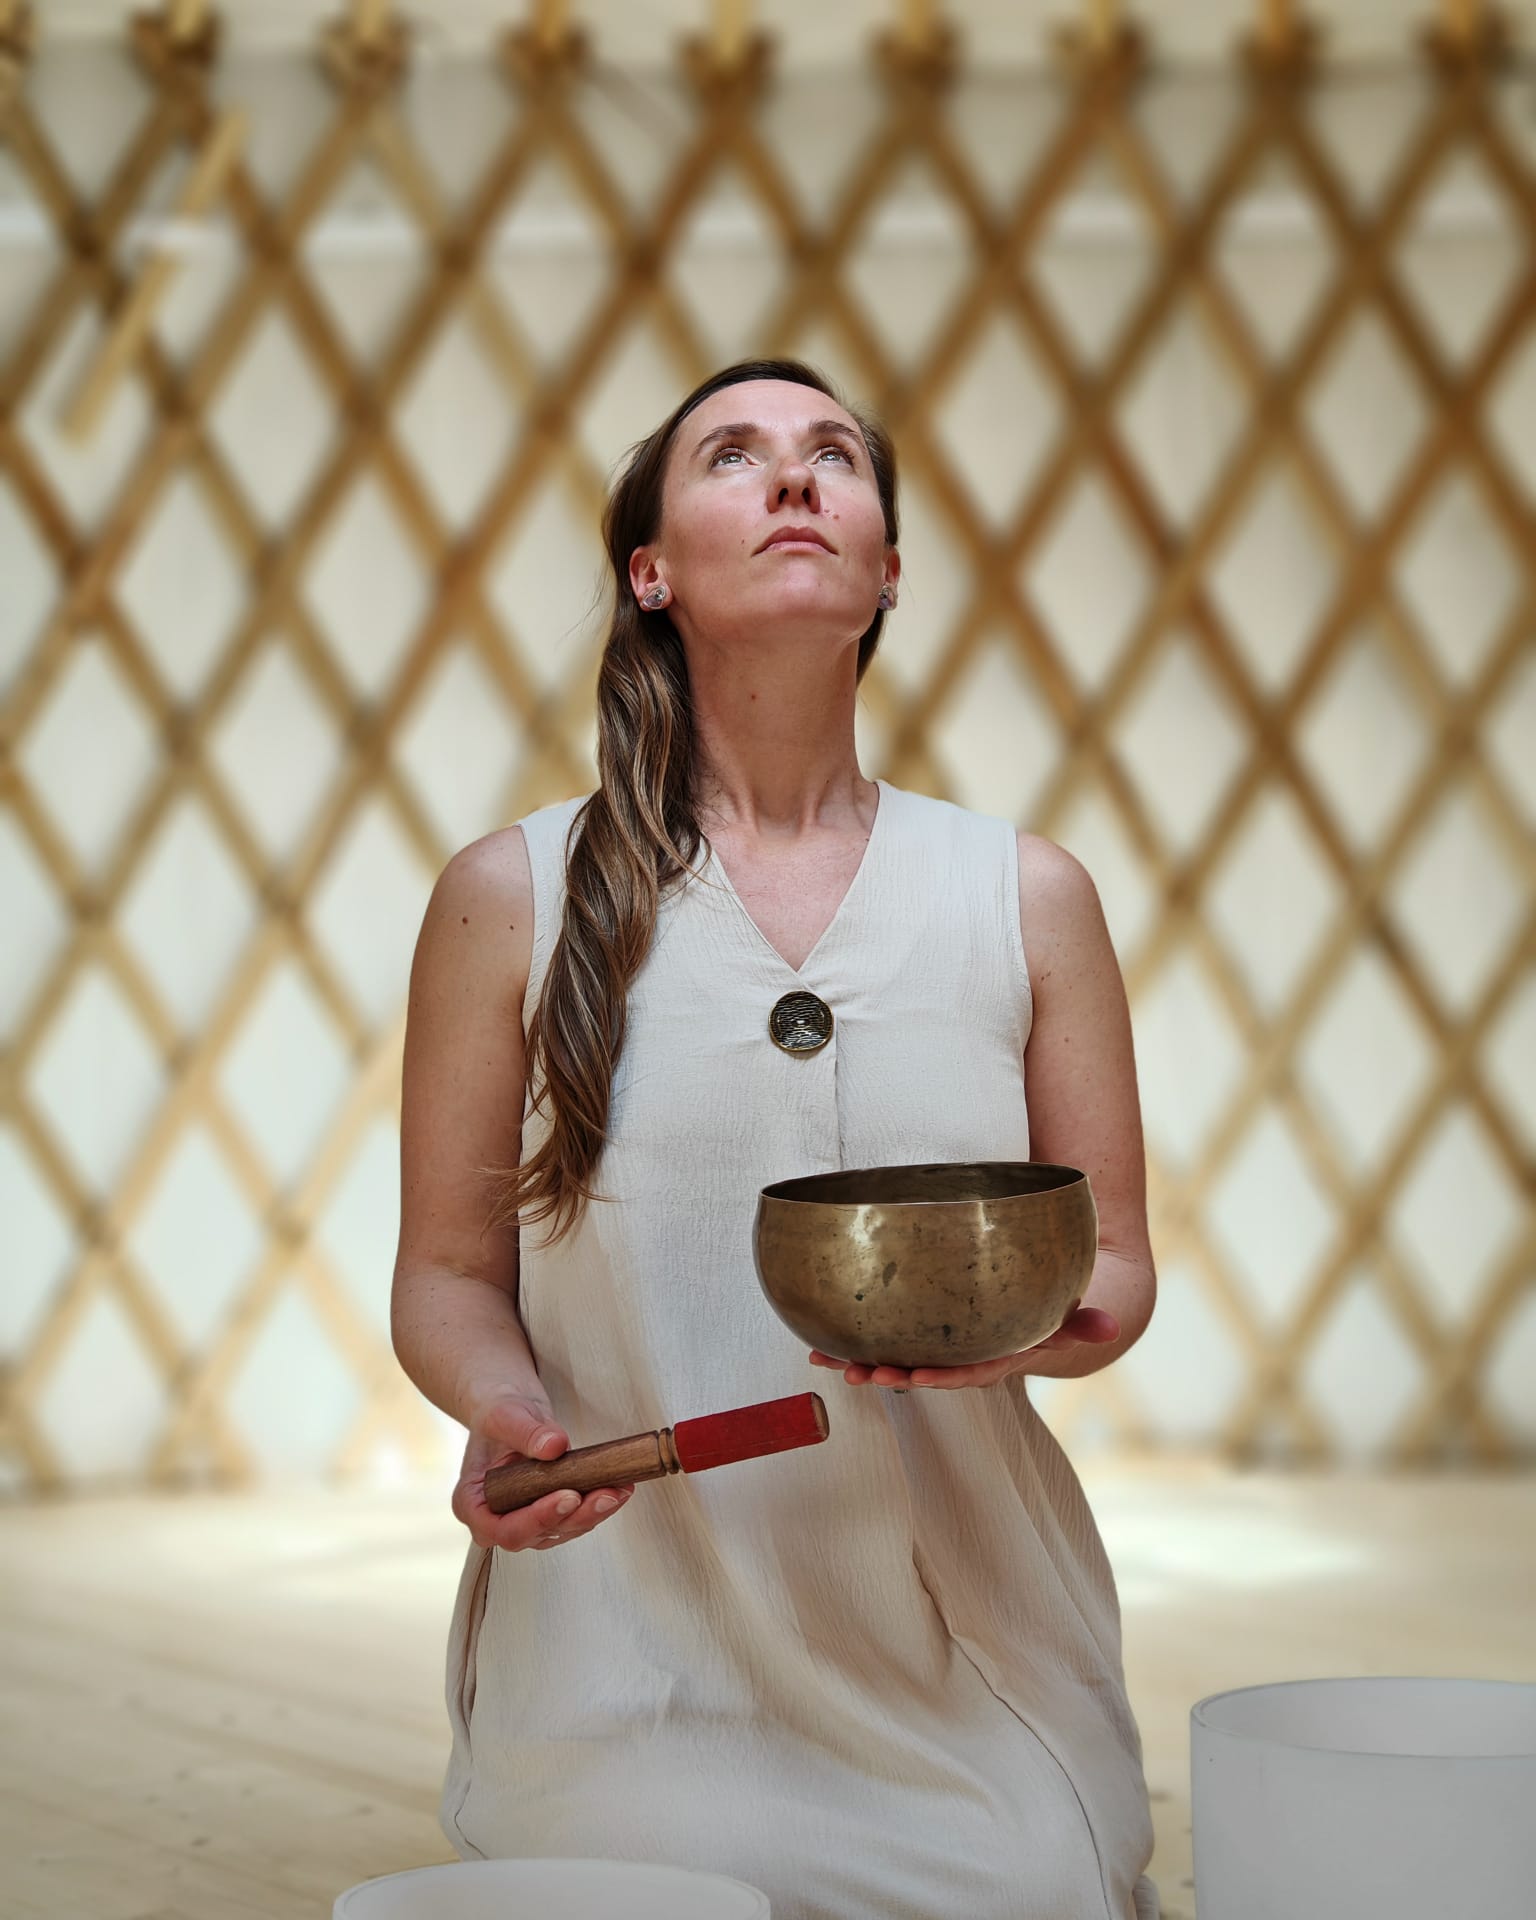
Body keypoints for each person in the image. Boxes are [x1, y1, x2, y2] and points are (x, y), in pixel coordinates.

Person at [391, 357, 1161, 1920]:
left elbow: (1119, 1268)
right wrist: (507, 1410)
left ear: (888, 569)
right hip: (633, 1657)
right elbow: (445, 1276)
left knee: (1041, 1890)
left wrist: (1043, 1332)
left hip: (969, 1650)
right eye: (733, 456)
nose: (796, 476)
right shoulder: (511, 897)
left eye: (834, 458)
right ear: (651, 572)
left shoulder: (1026, 896)